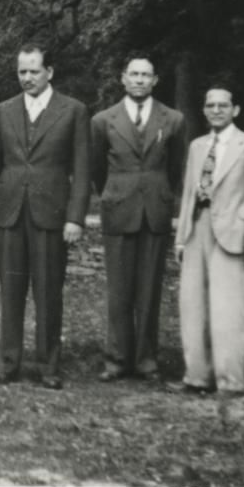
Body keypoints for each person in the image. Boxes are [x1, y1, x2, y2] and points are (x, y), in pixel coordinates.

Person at [0, 44, 90, 389]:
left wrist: (75, 217)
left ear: (49, 72)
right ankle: (7, 364)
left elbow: (82, 169)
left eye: (34, 71)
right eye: (22, 72)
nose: (27, 78)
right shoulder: (3, 111)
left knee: (48, 293)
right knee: (10, 291)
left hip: (51, 214)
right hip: (10, 213)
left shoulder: (73, 111)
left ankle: (48, 366)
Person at [89, 55, 187, 383]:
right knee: (118, 289)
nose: (140, 80)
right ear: (123, 78)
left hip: (155, 211)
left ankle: (146, 360)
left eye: (146, 75)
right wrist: (116, 191)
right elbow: (97, 168)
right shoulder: (103, 120)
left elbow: (175, 168)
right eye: (134, 74)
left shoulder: (173, 119)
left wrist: (158, 192)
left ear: (155, 80)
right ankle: (116, 359)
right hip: (118, 208)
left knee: (149, 290)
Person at [173, 86, 244, 397]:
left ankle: (230, 380)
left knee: (229, 308)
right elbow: (189, 194)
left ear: (235, 110)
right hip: (197, 229)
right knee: (193, 306)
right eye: (211, 105)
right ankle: (197, 376)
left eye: (223, 105)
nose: (216, 110)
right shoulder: (197, 146)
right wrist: (181, 238)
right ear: (204, 110)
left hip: (232, 232)